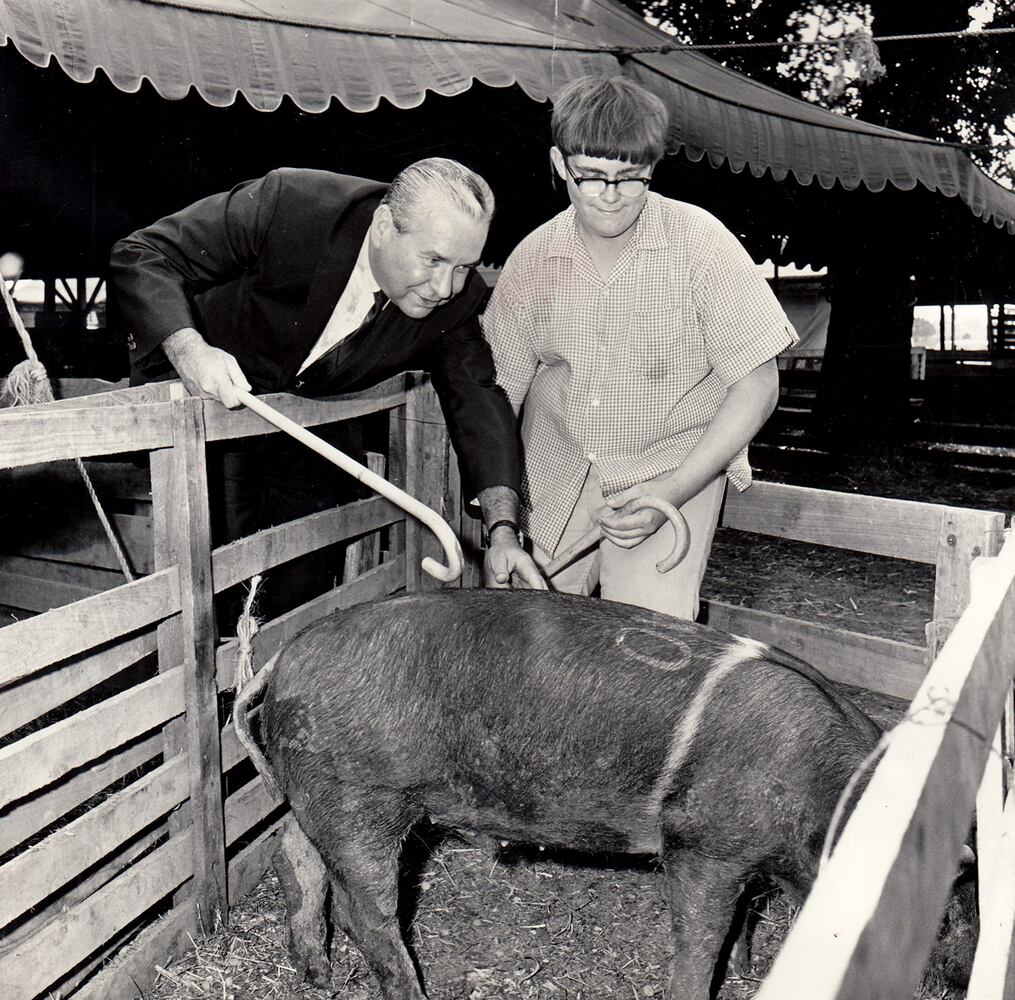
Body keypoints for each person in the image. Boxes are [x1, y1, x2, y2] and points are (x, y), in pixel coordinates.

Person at [110, 159, 544, 594]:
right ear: (382, 228)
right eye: (433, 259)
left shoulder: (456, 301)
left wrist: (502, 530)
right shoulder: (291, 204)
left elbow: (477, 397)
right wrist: (188, 348)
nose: (445, 287)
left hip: (312, 426)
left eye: (464, 267)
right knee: (219, 584)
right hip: (217, 409)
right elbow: (143, 253)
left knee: (308, 585)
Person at [482, 76, 797, 618]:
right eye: (591, 176)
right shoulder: (532, 259)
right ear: (560, 164)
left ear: (653, 167)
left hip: (672, 465)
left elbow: (757, 382)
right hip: (557, 474)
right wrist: (502, 525)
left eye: (630, 178)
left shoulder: (701, 244)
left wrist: (672, 491)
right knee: (529, 635)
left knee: (647, 643)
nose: (609, 195)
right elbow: (498, 396)